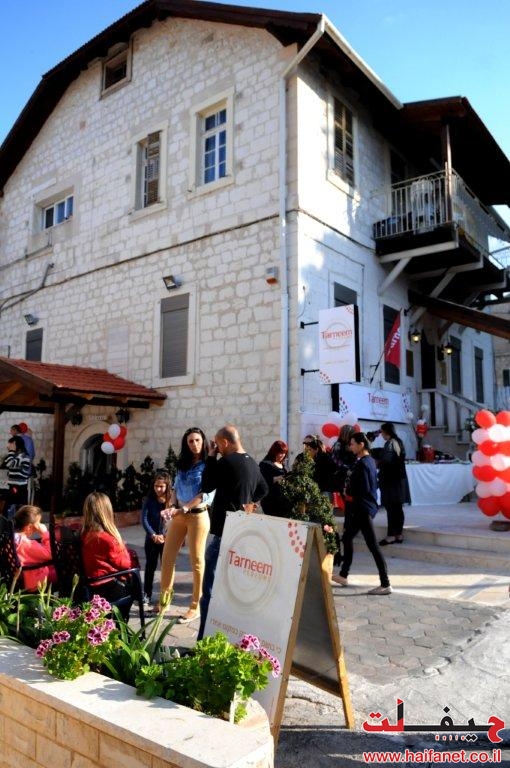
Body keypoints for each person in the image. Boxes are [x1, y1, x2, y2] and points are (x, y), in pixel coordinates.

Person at [197, 424, 268, 639]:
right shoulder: (253, 464)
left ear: (225, 442)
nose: (217, 448)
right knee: (233, 590)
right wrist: (249, 503)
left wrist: (211, 457)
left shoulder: (226, 462)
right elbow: (264, 489)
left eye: (218, 445)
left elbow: (206, 486)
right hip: (242, 535)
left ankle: (203, 639)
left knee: (209, 591)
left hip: (223, 535)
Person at [158, 428, 213, 624]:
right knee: (167, 557)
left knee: (196, 561)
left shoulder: (209, 464)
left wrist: (184, 508)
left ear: (203, 441)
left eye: (197, 440)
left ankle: (195, 606)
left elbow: (205, 494)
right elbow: (175, 489)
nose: (194, 444)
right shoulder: (182, 464)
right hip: (179, 516)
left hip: (198, 516)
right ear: (186, 444)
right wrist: (172, 506)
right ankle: (164, 602)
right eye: (190, 441)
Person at [334, 432, 391, 595]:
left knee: (373, 546)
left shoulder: (364, 464)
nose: (350, 446)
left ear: (361, 445)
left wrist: (349, 491)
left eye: (353, 444)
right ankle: (343, 575)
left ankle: (385, 583)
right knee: (347, 537)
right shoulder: (368, 461)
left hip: (362, 509)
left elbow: (364, 488)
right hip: (362, 508)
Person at [80, 491, 135, 619]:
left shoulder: (84, 534)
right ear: (107, 511)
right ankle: (120, 627)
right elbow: (125, 564)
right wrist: (123, 547)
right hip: (107, 586)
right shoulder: (107, 539)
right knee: (133, 589)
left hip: (90, 584)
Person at [141, 470, 172, 608]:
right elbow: (144, 519)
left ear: (167, 486)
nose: (158, 489)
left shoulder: (172, 501)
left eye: (161, 486)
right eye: (156, 486)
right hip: (152, 539)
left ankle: (165, 596)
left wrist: (165, 536)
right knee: (150, 567)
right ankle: (147, 594)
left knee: (167, 567)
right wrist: (153, 534)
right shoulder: (149, 500)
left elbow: (174, 521)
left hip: (167, 539)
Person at [378, 421, 408, 545]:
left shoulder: (390, 444)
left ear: (386, 432)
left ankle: (391, 535)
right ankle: (399, 534)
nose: (381, 435)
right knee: (398, 508)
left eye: (382, 432)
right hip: (399, 480)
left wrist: (378, 463)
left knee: (391, 508)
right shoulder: (398, 441)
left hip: (390, 480)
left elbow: (387, 462)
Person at [13, 505, 57, 591]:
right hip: (33, 582)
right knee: (61, 570)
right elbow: (51, 554)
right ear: (29, 527)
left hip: (23, 577)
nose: (40, 525)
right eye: (38, 523)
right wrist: (44, 533)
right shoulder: (27, 544)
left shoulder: (13, 538)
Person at [2, 435, 32, 514]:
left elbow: (9, 463)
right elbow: (7, 464)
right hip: (13, 487)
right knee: (8, 511)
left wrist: (11, 451)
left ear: (15, 443)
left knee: (19, 512)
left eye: (10, 443)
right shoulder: (17, 456)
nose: (8, 446)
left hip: (19, 488)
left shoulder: (24, 456)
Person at [259, 440, 289, 516]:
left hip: (283, 502)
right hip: (271, 502)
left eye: (284, 453)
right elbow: (262, 481)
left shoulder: (282, 465)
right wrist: (276, 478)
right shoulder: (265, 464)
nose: (282, 455)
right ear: (274, 452)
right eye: (280, 453)